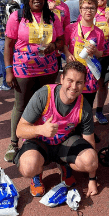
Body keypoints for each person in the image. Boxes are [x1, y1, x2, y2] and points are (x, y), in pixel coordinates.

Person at [14, 61, 98, 198]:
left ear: (84, 84)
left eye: (79, 82)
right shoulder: (43, 95)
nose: (74, 87)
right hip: (39, 141)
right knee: (28, 167)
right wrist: (41, 129)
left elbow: (90, 141)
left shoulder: (84, 105)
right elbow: (19, 130)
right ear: (62, 79)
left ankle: (65, 164)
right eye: (70, 81)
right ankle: (36, 175)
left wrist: (92, 179)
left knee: (91, 160)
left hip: (65, 142)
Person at [3, 0, 64, 163]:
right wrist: (8, 71)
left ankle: (41, 139)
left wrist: (54, 46)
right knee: (20, 106)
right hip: (24, 70)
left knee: (46, 106)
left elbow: (61, 41)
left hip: (48, 68)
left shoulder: (52, 17)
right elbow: (8, 45)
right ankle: (14, 143)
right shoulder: (18, 17)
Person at [63, 0, 105, 110]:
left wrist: (95, 51)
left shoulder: (99, 32)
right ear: (80, 10)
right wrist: (67, 54)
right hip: (74, 71)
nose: (88, 11)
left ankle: (85, 127)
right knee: (70, 102)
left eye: (92, 8)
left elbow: (100, 53)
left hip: (89, 73)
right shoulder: (70, 28)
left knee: (87, 105)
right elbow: (63, 45)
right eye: (85, 8)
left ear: (96, 11)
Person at [92, 0, 109, 124]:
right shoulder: (88, 11)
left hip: (108, 55)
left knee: (103, 84)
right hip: (92, 56)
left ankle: (100, 111)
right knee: (88, 85)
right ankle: (85, 111)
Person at [43, 0, 70, 68]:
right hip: (39, 51)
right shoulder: (37, 4)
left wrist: (66, 51)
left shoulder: (64, 7)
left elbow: (66, 30)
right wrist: (46, 10)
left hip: (56, 52)